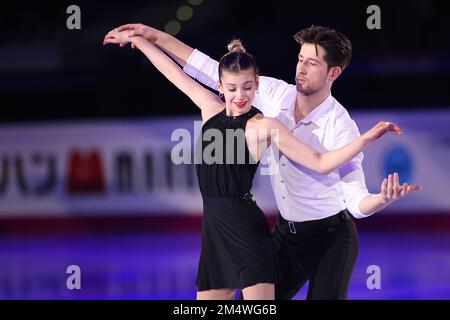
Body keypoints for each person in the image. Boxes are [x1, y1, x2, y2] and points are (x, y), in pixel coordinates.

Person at [103, 28, 404, 300]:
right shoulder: (238, 101)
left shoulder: (310, 125)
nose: (300, 68)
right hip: (264, 233)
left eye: (311, 63)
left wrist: (376, 183)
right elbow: (193, 71)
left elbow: (332, 174)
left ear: (332, 73)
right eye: (300, 59)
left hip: (324, 236)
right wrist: (144, 38)